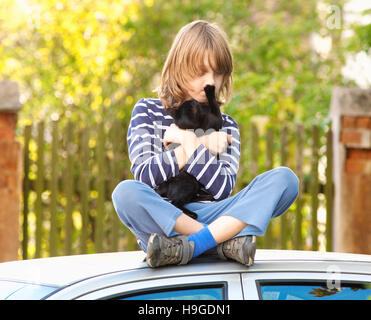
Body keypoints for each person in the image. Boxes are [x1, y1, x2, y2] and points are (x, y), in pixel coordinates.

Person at [112, 20, 299, 268]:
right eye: (200, 72)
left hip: (216, 216)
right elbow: (145, 176)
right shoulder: (147, 110)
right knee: (125, 193)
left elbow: (221, 188)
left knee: (286, 180)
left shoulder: (227, 125)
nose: (210, 81)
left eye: (218, 73)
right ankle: (220, 245)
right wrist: (194, 147)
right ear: (178, 67)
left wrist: (189, 143)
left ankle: (190, 247)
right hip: (166, 219)